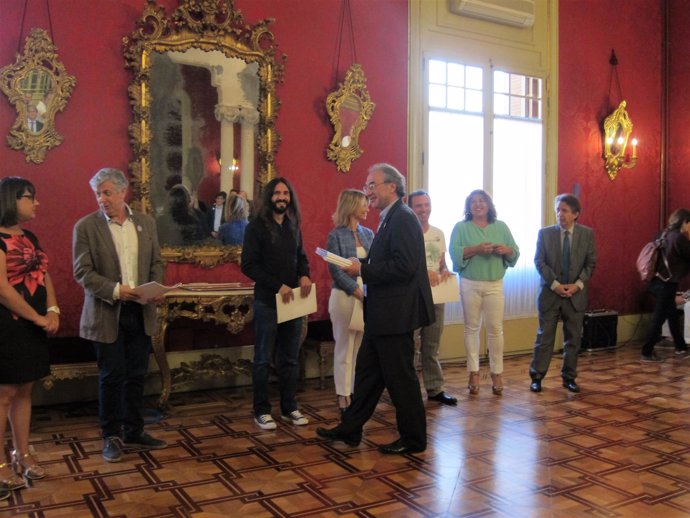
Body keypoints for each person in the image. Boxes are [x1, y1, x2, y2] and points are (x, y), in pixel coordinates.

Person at [317, 163, 434, 455]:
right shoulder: (390, 218)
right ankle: (350, 429)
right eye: (367, 185)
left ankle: (414, 439)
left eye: (372, 185)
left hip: (396, 314)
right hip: (383, 314)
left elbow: (404, 267)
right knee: (368, 375)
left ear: (391, 187)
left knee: (402, 380)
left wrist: (363, 270)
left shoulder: (403, 218)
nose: (367, 191)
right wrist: (365, 268)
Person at [73, 168, 167, 463]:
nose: (102, 199)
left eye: (107, 192)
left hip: (140, 312)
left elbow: (156, 262)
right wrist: (116, 290)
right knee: (112, 376)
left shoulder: (146, 223)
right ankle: (111, 435)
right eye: (98, 194)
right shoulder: (86, 227)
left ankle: (134, 430)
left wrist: (156, 288)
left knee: (137, 375)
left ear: (124, 192)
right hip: (106, 312)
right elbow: (83, 272)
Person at [0, 178, 58, 496]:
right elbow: (3, 290)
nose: (35, 203)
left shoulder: (30, 236)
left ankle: (22, 454)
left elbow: (44, 274)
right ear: (10, 200)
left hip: (33, 325)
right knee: (4, 393)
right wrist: (36, 316)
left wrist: (53, 309)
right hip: (8, 326)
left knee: (25, 389)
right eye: (29, 197)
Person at [241, 177, 313, 430]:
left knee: (290, 359)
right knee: (262, 359)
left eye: (286, 193)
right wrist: (277, 286)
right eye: (277, 193)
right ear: (269, 197)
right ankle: (261, 410)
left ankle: (289, 407)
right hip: (267, 303)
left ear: (290, 197)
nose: (281, 197)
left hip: (293, 302)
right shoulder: (255, 227)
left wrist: (304, 274)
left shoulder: (293, 226)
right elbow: (248, 265)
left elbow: (302, 258)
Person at [449, 190, 519, 396]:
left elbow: (514, 252)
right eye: (473, 202)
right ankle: (474, 372)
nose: (477, 205)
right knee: (471, 328)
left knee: (495, 329)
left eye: (481, 201)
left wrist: (506, 250)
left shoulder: (501, 227)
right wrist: (477, 249)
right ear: (468, 207)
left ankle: (497, 373)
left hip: (494, 283)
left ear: (489, 205)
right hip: (470, 283)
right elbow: (455, 254)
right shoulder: (461, 228)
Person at [529, 193, 596, 393]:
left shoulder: (587, 234)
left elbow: (590, 264)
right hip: (551, 294)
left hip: (576, 295)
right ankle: (537, 377)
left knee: (573, 339)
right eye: (558, 210)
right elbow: (539, 262)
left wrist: (577, 285)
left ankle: (569, 377)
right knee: (545, 338)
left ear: (575, 214)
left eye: (565, 210)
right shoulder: (545, 234)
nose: (560, 214)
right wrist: (555, 284)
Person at [326, 189, 374, 414]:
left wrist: (366, 292)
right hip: (345, 296)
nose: (367, 208)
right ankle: (343, 395)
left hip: (366, 295)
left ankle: (355, 391)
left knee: (360, 349)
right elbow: (336, 270)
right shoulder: (335, 235)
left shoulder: (368, 234)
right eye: (364, 204)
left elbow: (374, 265)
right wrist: (356, 290)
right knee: (344, 347)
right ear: (352, 205)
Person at [408, 190, 457, 405]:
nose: (423, 210)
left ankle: (435, 388)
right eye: (419, 206)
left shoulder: (438, 233)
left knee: (432, 344)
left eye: (426, 205)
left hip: (437, 295)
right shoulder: (406, 233)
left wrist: (445, 270)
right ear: (410, 208)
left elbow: (442, 263)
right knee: (410, 345)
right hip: (412, 297)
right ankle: (406, 390)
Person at [640, 208, 690, 362]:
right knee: (659, 318)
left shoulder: (662, 235)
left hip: (656, 281)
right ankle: (646, 351)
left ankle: (681, 348)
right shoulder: (679, 239)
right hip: (666, 284)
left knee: (672, 315)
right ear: (685, 223)